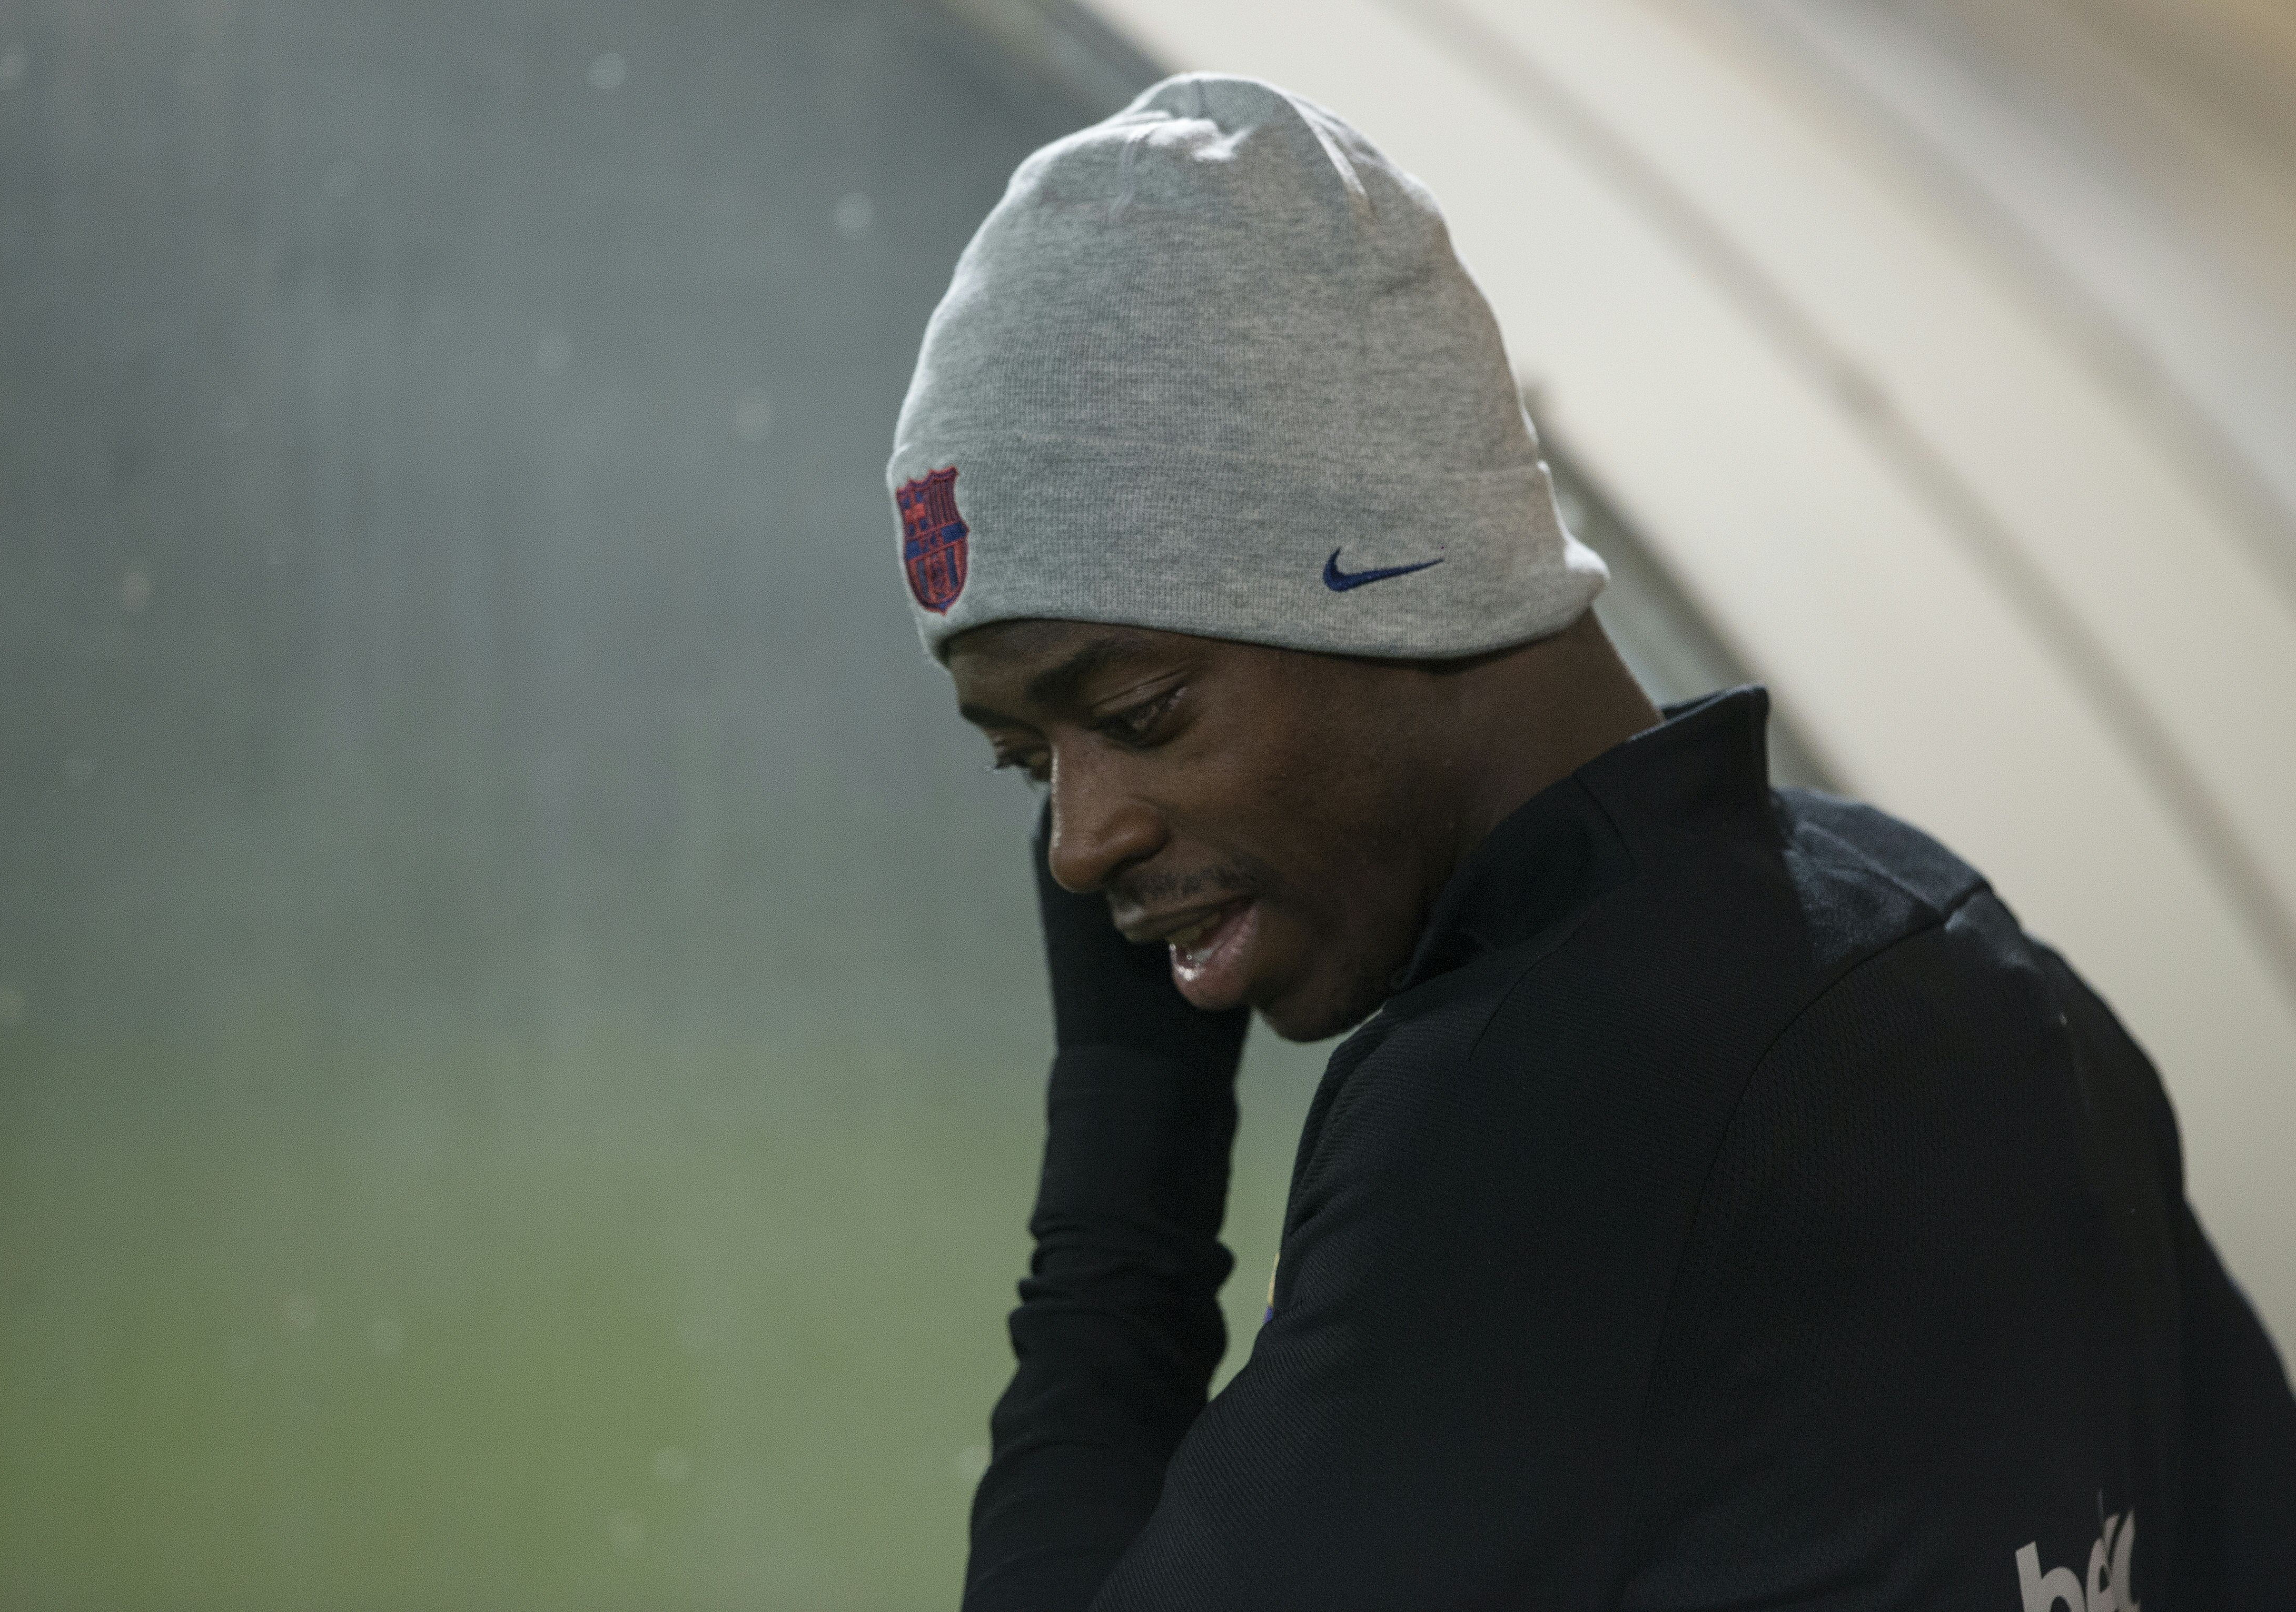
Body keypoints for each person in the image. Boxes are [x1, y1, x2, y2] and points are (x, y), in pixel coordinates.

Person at [887, 73, 2296, 1610]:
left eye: (1140, 713)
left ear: (1396, 575)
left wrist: (1128, 1141)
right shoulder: (1936, 933)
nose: (1080, 843)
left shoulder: (1537, 1112)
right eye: (1029, 764)